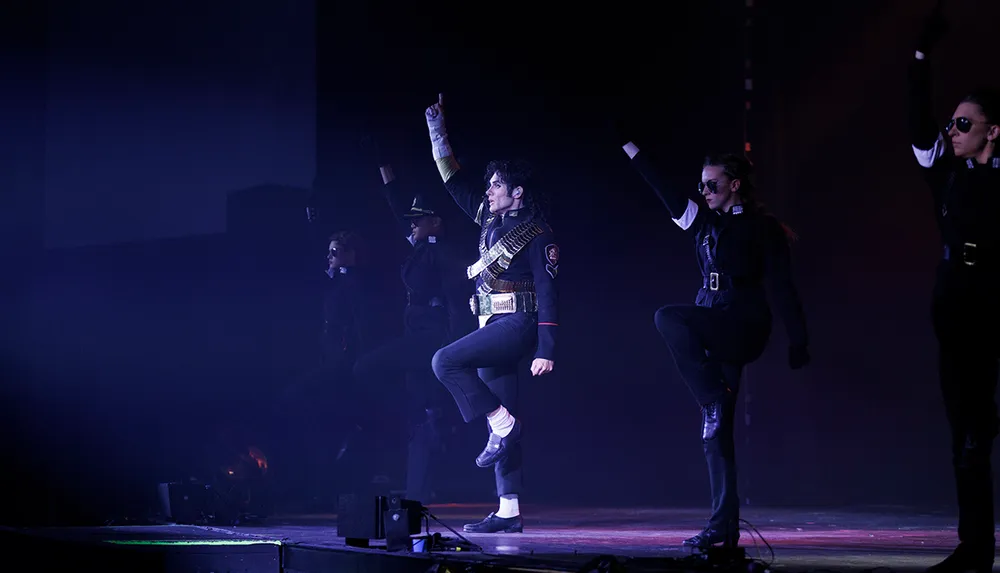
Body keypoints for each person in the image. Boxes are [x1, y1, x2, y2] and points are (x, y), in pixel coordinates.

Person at [617, 139, 810, 549]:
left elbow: (782, 286)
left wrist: (798, 337)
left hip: (741, 322)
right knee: (715, 433)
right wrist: (631, 146)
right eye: (701, 186)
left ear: (734, 185)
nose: (703, 193)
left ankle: (711, 399)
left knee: (668, 316)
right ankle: (723, 526)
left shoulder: (761, 228)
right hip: (712, 316)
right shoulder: (701, 223)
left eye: (712, 185)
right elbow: (661, 187)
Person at [423, 93, 559, 534]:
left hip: (517, 325)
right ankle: (508, 511)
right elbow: (451, 179)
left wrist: (547, 348)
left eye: (497, 185)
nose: (489, 191)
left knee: (445, 361)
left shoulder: (537, 234)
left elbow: (548, 290)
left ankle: (502, 423)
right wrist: (437, 130)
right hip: (490, 322)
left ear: (517, 193)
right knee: (506, 426)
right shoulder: (486, 219)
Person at [909, 4, 999, 572]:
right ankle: (973, 547)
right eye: (953, 122)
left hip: (997, 293)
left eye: (964, 123)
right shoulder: (946, 172)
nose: (952, 130)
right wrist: (920, 57)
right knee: (965, 429)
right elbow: (918, 125)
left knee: (978, 423)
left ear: (993, 130)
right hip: (958, 298)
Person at [351, 154, 474, 503]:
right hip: (417, 338)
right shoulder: (422, 247)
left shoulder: (443, 252)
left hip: (433, 339)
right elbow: (397, 212)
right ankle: (417, 494)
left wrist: (456, 348)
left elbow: (456, 297)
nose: (412, 226)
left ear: (435, 222)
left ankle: (432, 420)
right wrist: (385, 170)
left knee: (366, 367)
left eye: (419, 221)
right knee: (420, 422)